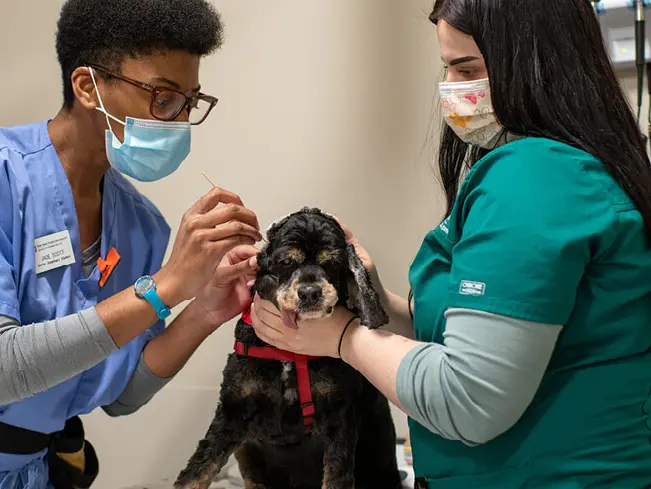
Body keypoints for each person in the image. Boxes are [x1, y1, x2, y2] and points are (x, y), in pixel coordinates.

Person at [251, 0, 651, 487]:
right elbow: (478, 335)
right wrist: (371, 296)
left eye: (467, 69)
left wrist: (343, 338)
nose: (453, 90)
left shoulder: (533, 179)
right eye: (447, 69)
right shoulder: (557, 170)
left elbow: (469, 398)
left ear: (537, 64)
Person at [0, 0, 263, 487]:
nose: (178, 119)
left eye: (189, 101)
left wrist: (204, 307)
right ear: (87, 86)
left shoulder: (142, 225)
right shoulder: (6, 178)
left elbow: (119, 396)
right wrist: (165, 286)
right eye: (162, 97)